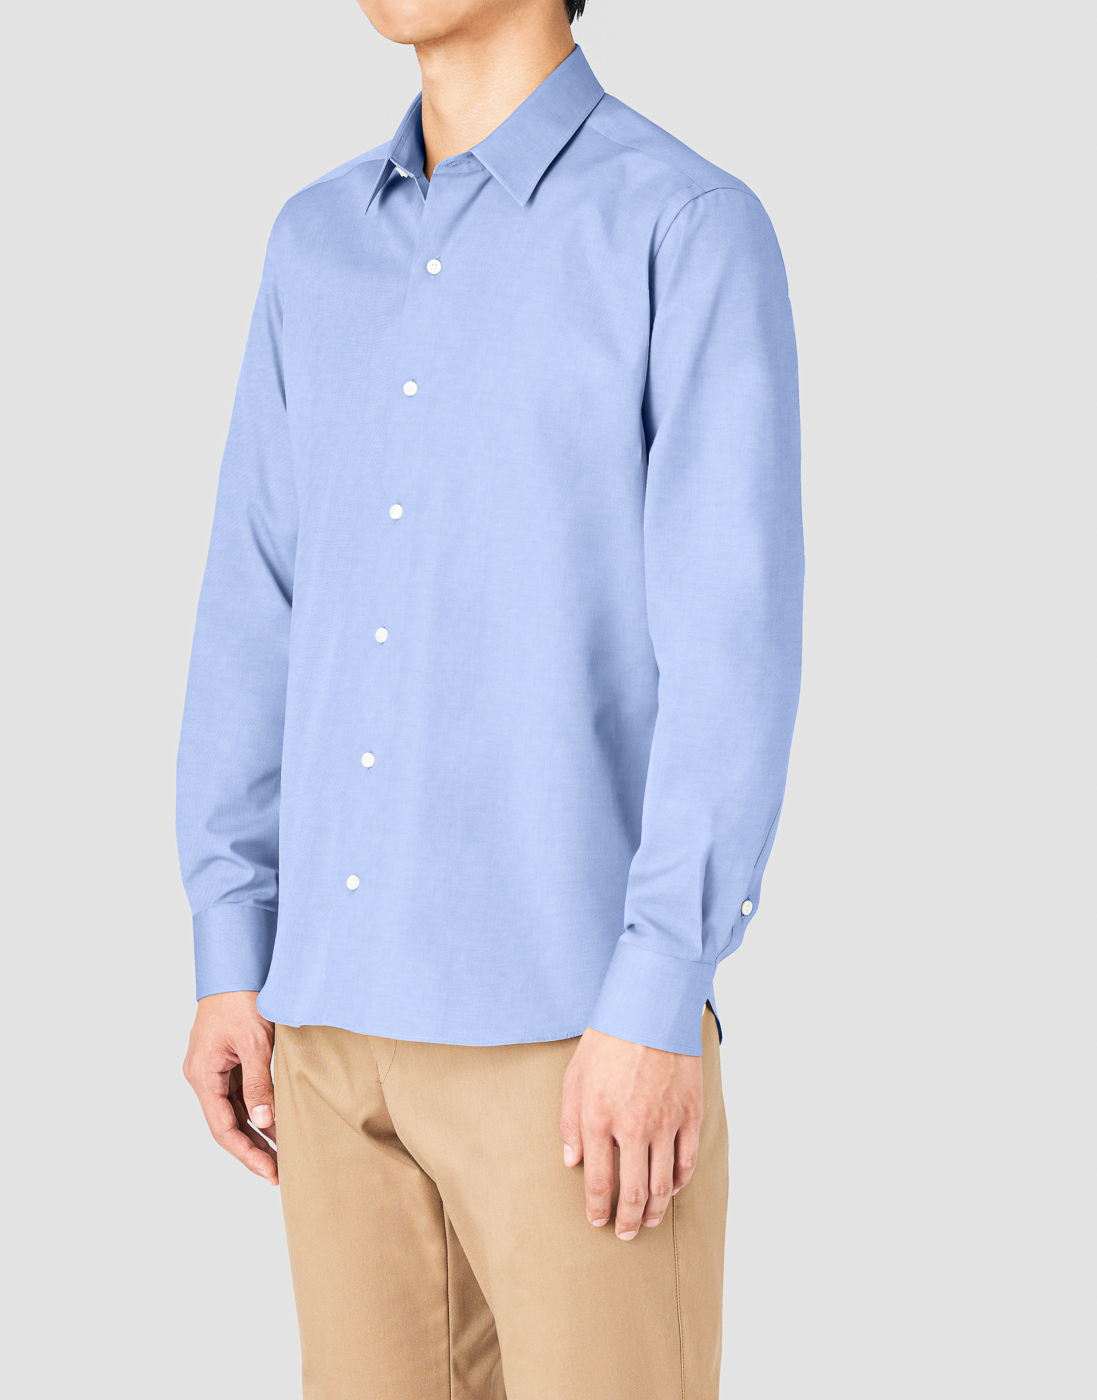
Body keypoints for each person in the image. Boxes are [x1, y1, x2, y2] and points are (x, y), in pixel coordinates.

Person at [177, 0, 802, 1393]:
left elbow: (732, 654)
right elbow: (256, 605)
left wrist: (659, 994)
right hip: (325, 1038)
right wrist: (232, 944)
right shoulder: (312, 244)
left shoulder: (683, 228)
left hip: (575, 1045)